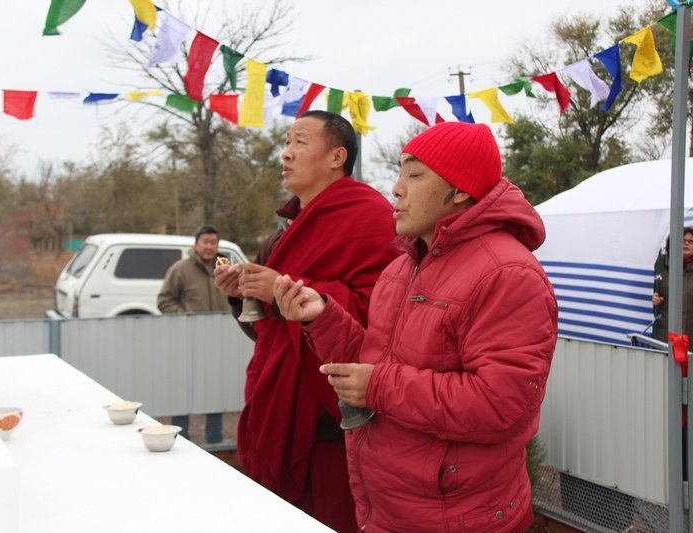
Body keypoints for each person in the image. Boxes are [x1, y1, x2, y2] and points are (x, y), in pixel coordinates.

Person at [274, 121, 559, 532]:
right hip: (388, 506)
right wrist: (321, 317)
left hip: (458, 517)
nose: (396, 189)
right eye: (399, 173)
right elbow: (374, 364)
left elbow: (501, 406)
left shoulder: (507, 273)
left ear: (459, 190)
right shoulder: (402, 267)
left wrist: (378, 386)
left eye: (415, 175)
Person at [214, 110, 400, 533]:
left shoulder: (372, 217)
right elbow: (267, 334)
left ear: (337, 157)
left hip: (332, 423)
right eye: (286, 143)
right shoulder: (281, 235)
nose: (286, 154)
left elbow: (385, 319)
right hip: (278, 402)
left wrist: (289, 291)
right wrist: (241, 295)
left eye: (299, 142)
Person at [157, 224, 230, 444]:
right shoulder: (180, 269)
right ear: (196, 244)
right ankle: (180, 438)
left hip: (217, 341)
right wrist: (186, 317)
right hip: (187, 342)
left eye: (213, 242)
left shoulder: (226, 268)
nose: (209, 246)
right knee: (183, 388)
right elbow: (164, 300)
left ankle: (215, 439)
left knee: (215, 389)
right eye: (205, 242)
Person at [651, 227, 693, 341]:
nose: (686, 244)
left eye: (691, 241)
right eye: (683, 240)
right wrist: (656, 298)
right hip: (665, 335)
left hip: (690, 336)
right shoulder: (661, 262)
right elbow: (656, 290)